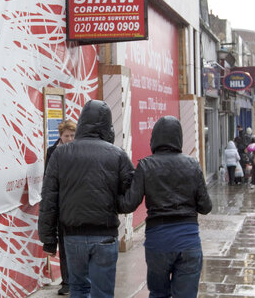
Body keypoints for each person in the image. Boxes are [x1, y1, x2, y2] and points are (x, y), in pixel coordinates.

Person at [39, 100, 135, 298]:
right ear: (107, 125)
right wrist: (113, 204)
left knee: (79, 289)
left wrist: (49, 240)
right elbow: (130, 198)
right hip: (105, 235)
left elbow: (49, 199)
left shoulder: (60, 154)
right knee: (103, 292)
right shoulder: (117, 155)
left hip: (72, 236)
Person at [118, 116, 212, 298]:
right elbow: (206, 206)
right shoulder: (193, 165)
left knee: (158, 293)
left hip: (158, 240)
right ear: (179, 138)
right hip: (188, 240)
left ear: (155, 138)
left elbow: (128, 204)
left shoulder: (146, 165)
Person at [44, 119, 77, 296]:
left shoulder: (80, 150)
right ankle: (67, 281)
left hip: (76, 202)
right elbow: (48, 179)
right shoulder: (52, 152)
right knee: (64, 244)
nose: (70, 139)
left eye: (72, 135)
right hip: (61, 204)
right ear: (60, 136)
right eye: (67, 136)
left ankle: (77, 279)